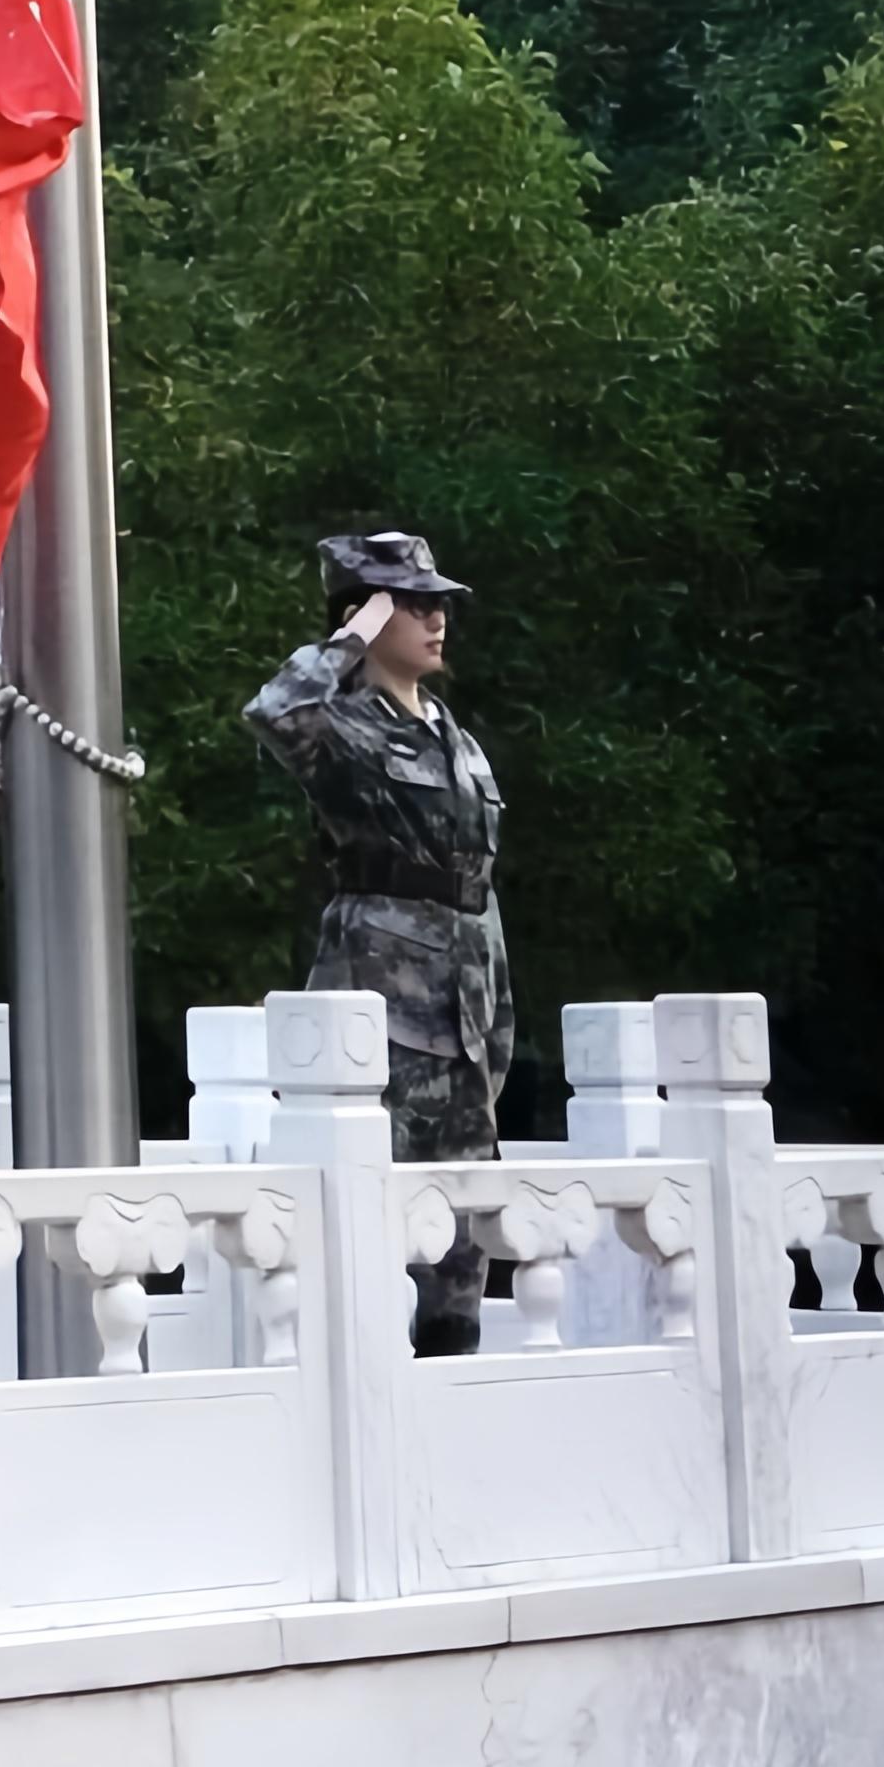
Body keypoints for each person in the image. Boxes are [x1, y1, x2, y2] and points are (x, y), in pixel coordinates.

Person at [251, 531, 509, 1352]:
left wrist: (497, 1019)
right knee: (370, 1221)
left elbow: (476, 885)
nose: (437, 619)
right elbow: (275, 711)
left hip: (467, 1018)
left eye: (441, 604)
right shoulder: (344, 727)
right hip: (383, 1015)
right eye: (414, 604)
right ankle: (364, 1392)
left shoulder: (453, 735)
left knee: (462, 1239)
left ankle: (449, 1386)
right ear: (366, 614)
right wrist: (348, 640)